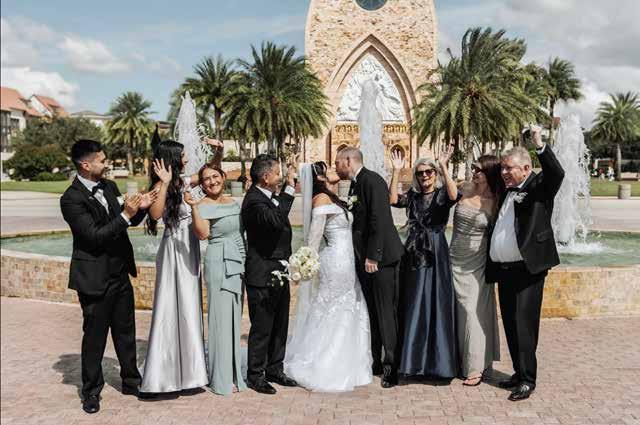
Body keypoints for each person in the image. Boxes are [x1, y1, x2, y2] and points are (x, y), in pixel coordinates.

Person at [60, 139, 157, 414]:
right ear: (85, 164)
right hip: (94, 278)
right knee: (95, 338)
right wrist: (126, 214)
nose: (107, 164)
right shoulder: (71, 199)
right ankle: (91, 392)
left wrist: (141, 208)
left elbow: (123, 223)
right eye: (102, 160)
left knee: (126, 332)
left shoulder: (109, 187)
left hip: (119, 273)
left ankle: (131, 382)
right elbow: (94, 237)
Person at [486, 126, 565, 401]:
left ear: (526, 168)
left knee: (524, 325)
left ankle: (528, 380)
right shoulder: (507, 190)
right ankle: (518, 373)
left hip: (527, 270)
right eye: (503, 168)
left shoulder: (538, 187)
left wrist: (539, 144)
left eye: (509, 168)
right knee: (510, 323)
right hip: (505, 270)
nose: (504, 172)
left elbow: (556, 174)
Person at [284, 162, 373, 392]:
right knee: (333, 306)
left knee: (348, 305)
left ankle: (348, 363)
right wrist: (305, 264)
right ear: (321, 178)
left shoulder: (332, 198)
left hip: (347, 260)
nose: (334, 169)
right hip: (335, 262)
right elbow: (314, 239)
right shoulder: (322, 200)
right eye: (328, 168)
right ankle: (325, 364)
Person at [139, 140, 210, 396]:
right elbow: (155, 215)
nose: (187, 158)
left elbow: (207, 173)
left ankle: (191, 373)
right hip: (173, 251)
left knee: (189, 305)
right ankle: (164, 375)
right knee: (169, 306)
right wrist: (165, 182)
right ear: (173, 157)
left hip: (190, 248)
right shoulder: (163, 184)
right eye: (183, 155)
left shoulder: (183, 181)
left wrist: (219, 152)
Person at [335, 147, 404, 388]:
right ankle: (376, 361)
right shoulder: (356, 184)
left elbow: (379, 219)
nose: (336, 167)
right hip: (366, 260)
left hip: (381, 260)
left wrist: (373, 256)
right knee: (372, 312)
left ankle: (392, 366)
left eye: (338, 163)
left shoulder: (372, 181)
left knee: (385, 313)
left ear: (348, 160)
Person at [389, 147, 458, 380]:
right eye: (420, 173)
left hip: (436, 249)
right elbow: (392, 200)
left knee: (436, 301)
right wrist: (396, 171)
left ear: (434, 174)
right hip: (415, 250)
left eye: (429, 172)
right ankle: (413, 361)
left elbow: (454, 196)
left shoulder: (441, 194)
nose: (425, 176)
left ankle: (438, 364)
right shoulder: (413, 196)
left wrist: (443, 166)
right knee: (415, 300)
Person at [187, 164, 247, 396]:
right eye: (206, 179)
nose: (212, 182)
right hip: (219, 261)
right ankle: (220, 377)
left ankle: (233, 372)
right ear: (201, 185)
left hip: (238, 258)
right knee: (220, 319)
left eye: (215, 176)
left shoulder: (233, 202)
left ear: (223, 177)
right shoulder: (201, 205)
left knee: (234, 317)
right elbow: (203, 234)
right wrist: (194, 208)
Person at [241, 154, 298, 395]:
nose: (280, 177)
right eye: (277, 173)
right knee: (262, 327)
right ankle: (256, 375)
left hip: (279, 270)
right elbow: (275, 221)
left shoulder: (268, 196)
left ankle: (275, 369)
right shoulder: (254, 201)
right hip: (262, 273)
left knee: (280, 324)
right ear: (265, 177)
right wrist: (290, 189)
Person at [449, 155, 503, 386]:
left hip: (477, 263)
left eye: (478, 169)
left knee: (472, 311)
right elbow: (445, 196)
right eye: (473, 168)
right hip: (453, 258)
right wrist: (442, 166)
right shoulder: (465, 188)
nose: (474, 172)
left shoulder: (497, 200)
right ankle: (454, 361)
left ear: (489, 173)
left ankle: (475, 366)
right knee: (456, 311)